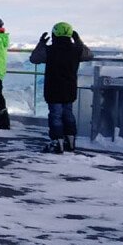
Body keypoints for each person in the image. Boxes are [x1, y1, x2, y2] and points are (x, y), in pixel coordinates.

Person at [29, 22, 93, 153]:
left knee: (55, 115)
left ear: (54, 34)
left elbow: (34, 59)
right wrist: (78, 40)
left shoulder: (49, 50)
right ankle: (70, 141)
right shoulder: (76, 50)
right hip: (69, 88)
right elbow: (89, 55)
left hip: (53, 88)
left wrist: (41, 43)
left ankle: (57, 142)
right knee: (68, 113)